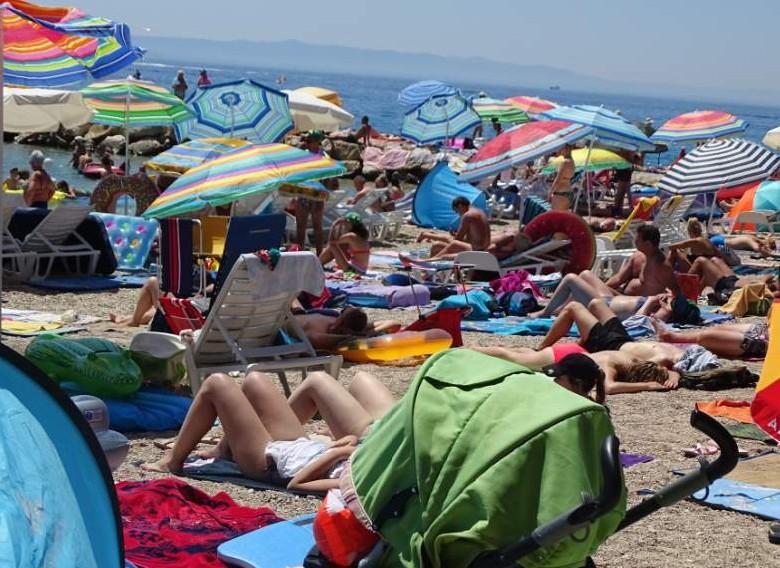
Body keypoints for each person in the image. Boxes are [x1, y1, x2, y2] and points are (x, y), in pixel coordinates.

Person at [142, 370, 395, 491]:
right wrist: (343, 445)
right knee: (255, 380)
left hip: (267, 462)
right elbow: (350, 443)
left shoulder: (362, 481)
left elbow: (298, 483)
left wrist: (338, 453)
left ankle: (172, 462)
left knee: (216, 384)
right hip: (297, 445)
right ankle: (224, 449)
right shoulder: (375, 460)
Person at [475, 345, 675, 395]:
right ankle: (470, 351)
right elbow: (610, 387)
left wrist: (673, 375)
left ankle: (474, 349)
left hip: (576, 353)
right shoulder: (611, 365)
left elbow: (667, 361)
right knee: (514, 358)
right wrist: (647, 385)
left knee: (523, 353)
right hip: (565, 357)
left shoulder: (635, 359)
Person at [529, 270, 671, 321]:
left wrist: (650, 302)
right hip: (610, 299)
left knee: (570, 278)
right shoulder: (663, 300)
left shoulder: (664, 312)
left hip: (604, 308)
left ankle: (545, 313)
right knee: (586, 274)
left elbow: (638, 322)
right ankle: (561, 310)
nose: (668, 298)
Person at [606, 224, 680, 296]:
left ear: (648, 244)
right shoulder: (637, 257)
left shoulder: (662, 267)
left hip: (644, 304)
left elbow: (676, 292)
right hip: (622, 298)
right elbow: (619, 279)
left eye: (637, 240)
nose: (635, 242)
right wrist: (604, 287)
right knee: (595, 284)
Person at [411, 196, 491, 260]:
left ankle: (428, 266)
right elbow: (473, 236)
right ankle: (427, 235)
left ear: (460, 206)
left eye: (457, 211)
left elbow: (457, 240)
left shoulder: (468, 215)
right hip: (485, 249)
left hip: (476, 251)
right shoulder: (480, 211)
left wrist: (456, 236)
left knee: (437, 245)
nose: (458, 214)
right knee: (449, 239)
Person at [293, 306, 401, 352]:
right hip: (294, 318)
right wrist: (360, 335)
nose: (336, 324)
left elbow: (395, 324)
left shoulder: (327, 327)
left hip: (300, 317)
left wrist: (369, 333)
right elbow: (314, 339)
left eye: (340, 322)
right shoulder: (328, 325)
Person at [654, 320, 768, 359]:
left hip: (765, 344)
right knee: (719, 328)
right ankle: (671, 337)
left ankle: (671, 338)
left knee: (705, 337)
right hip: (766, 331)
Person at [685, 255, 773, 304]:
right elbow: (769, 276)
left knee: (701, 260)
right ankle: (696, 294)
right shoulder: (772, 282)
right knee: (715, 259)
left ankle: (684, 292)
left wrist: (763, 284)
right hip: (733, 280)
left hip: (728, 289)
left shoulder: (772, 293)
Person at [548, 144, 575, 211]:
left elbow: (558, 180)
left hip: (560, 194)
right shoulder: (572, 162)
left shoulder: (564, 162)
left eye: (561, 148)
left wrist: (550, 192)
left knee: (556, 218)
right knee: (562, 217)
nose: (560, 150)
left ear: (567, 149)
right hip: (568, 192)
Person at [612, 152, 636, 216]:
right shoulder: (627, 159)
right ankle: (619, 208)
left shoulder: (626, 158)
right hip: (624, 173)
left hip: (624, 173)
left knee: (622, 191)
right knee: (623, 191)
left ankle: (618, 208)